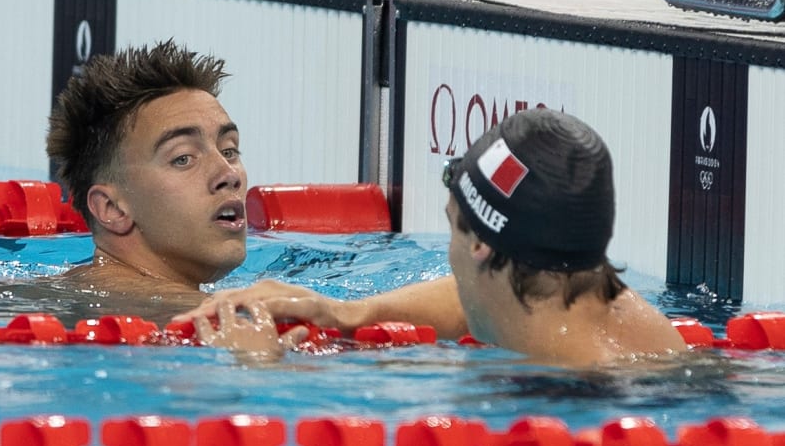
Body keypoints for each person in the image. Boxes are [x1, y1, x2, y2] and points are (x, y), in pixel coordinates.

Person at [176, 108, 689, 367]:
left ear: (481, 245)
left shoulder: (562, 395)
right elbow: (485, 298)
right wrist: (350, 313)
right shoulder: (590, 289)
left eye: (453, 225)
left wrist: (257, 372)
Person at [37, 40, 248, 324]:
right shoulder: (200, 314)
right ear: (112, 208)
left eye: (229, 151)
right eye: (183, 158)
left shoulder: (58, 291)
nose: (229, 175)